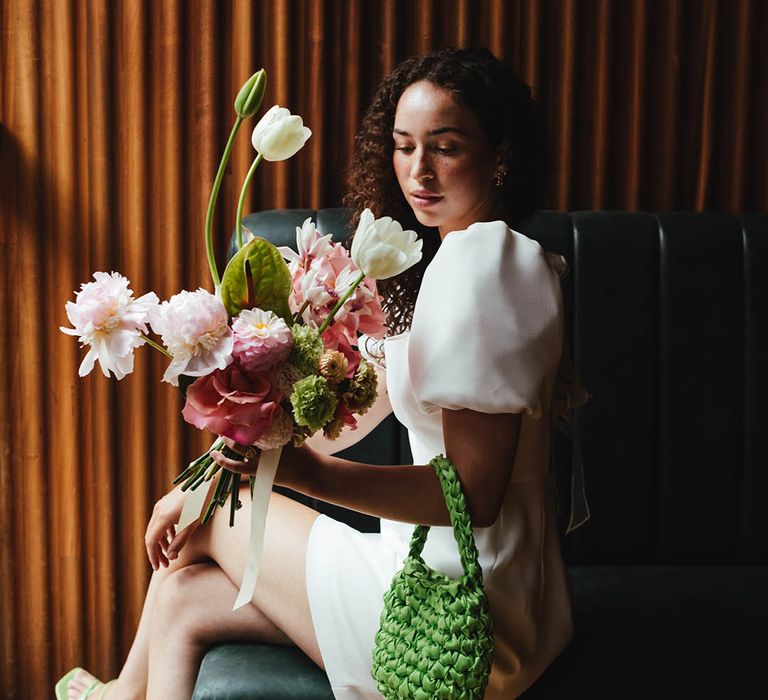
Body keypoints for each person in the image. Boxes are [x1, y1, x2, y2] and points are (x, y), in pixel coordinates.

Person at [59, 46, 585, 700]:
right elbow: (344, 420)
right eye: (403, 146)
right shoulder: (476, 259)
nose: (418, 170)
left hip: (460, 610)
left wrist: (300, 476)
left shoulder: (481, 267)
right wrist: (255, 425)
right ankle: (116, 694)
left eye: (445, 147)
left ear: (499, 153)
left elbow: (475, 498)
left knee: (222, 517)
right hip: (477, 583)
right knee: (183, 595)